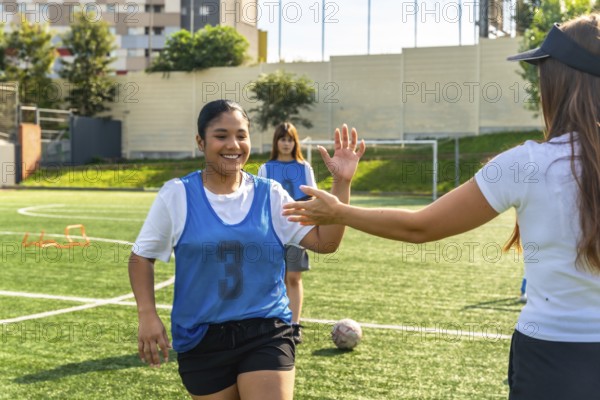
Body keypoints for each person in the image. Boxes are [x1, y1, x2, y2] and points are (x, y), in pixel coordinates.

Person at [284, 14, 600, 399]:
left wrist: (341, 212)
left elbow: (421, 227)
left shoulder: (527, 164)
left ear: (559, 82)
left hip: (551, 357)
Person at [128, 99, 365, 400]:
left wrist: (341, 183)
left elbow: (326, 242)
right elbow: (141, 257)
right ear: (200, 141)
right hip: (202, 337)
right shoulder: (177, 194)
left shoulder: (271, 194)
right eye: (221, 135)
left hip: (266, 329)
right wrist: (147, 315)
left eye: (241, 135)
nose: (233, 144)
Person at [257, 122, 317, 344]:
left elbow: (313, 198)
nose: (286, 143)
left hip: (298, 229)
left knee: (293, 276)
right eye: (282, 139)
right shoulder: (265, 168)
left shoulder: (304, 167)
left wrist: (310, 223)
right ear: (276, 142)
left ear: (295, 142)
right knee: (273, 278)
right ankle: (273, 322)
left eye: (290, 139)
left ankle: (294, 325)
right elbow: (260, 202)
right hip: (271, 232)